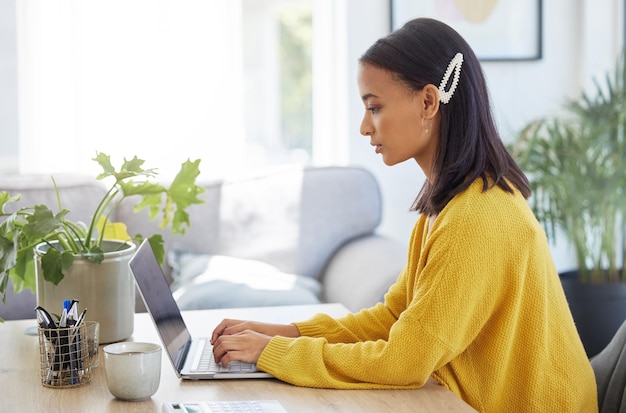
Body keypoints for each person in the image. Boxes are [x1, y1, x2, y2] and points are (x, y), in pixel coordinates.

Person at [211, 18, 598, 412]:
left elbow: (405, 361)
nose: (365, 127)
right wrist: (282, 334)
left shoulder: (477, 217)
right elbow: (395, 318)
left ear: (429, 102)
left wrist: (272, 353)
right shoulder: (449, 203)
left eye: (374, 107)